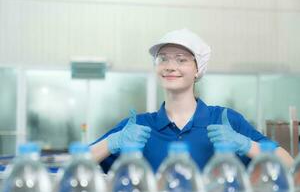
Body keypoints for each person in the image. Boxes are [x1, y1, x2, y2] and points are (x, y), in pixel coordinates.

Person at [90, 29, 293, 173]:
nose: (170, 66)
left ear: (198, 70)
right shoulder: (138, 126)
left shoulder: (225, 121)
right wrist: (112, 142)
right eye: (163, 59)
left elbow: (289, 164)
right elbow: (75, 165)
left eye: (181, 59)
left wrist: (245, 144)